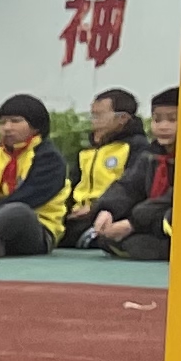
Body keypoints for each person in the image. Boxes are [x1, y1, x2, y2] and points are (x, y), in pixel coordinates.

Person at [0, 94, 70, 258]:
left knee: (17, 210)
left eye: (15, 121)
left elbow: (26, 198)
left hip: (35, 227)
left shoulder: (49, 158)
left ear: (36, 126)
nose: (7, 128)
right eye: (2, 122)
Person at [82, 88, 181, 256]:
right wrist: (107, 210)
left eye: (172, 120)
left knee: (171, 217)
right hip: (146, 220)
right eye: (157, 120)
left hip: (166, 218)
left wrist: (133, 223)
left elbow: (172, 198)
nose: (163, 126)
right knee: (109, 238)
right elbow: (128, 187)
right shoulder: (150, 155)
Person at [55, 87, 144, 244]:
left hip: (109, 214)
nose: (93, 121)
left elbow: (131, 188)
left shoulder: (136, 148)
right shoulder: (86, 153)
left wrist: (95, 208)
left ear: (122, 118)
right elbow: (71, 186)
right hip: (76, 216)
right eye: (92, 115)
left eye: (99, 116)